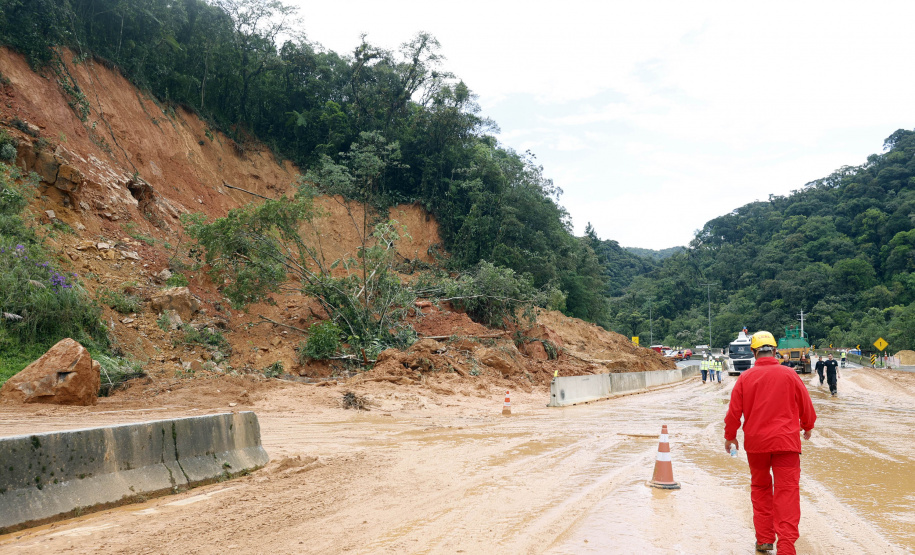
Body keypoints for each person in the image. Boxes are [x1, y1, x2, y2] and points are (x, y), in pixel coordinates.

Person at [724, 331, 816, 554]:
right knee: (787, 492)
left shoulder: (745, 378)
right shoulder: (790, 375)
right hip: (786, 443)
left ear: (754, 352)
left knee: (761, 488)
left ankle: (765, 539)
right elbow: (806, 405)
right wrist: (807, 425)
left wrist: (730, 436)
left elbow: (733, 413)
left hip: (757, 445)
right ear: (775, 350)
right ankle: (786, 546)